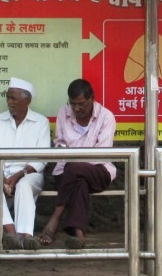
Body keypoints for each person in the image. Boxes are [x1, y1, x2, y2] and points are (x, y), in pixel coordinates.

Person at [37, 79, 116, 249]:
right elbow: (59, 143)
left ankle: (55, 220)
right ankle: (78, 235)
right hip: (66, 173)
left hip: (99, 172)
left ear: (91, 99)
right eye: (72, 104)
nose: (76, 109)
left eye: (81, 104)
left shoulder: (106, 117)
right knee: (79, 182)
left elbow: (101, 155)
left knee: (74, 169)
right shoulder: (63, 112)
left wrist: (74, 159)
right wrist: (71, 159)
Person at [0, 77, 51, 250]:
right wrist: (1, 178)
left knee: (23, 186)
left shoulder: (41, 122)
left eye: (13, 98)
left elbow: (42, 158)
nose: (9, 102)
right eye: (7, 97)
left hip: (30, 174)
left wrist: (18, 175)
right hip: (2, 172)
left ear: (27, 100)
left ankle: (26, 236)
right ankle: (12, 234)